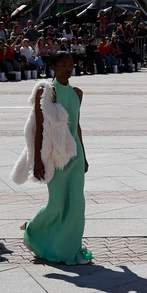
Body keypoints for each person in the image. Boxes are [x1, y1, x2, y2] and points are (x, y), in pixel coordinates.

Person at [17, 52, 93, 265]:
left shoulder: (77, 93)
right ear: (52, 66)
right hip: (54, 155)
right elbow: (39, 127)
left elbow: (76, 126)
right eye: (63, 64)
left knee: (77, 204)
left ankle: (70, 250)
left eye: (71, 64)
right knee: (57, 204)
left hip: (75, 156)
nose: (68, 68)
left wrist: (84, 156)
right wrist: (39, 160)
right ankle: (33, 229)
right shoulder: (46, 91)